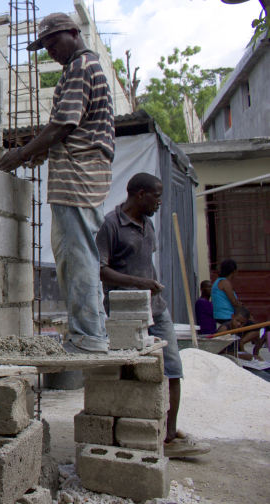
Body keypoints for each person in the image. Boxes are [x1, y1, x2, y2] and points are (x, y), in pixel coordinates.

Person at [0, 12, 115, 354]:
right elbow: (71, 130)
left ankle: (89, 337)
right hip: (80, 173)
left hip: (78, 176)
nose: (51, 51)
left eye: (53, 42)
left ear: (74, 34)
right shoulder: (84, 68)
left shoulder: (80, 67)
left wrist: (20, 154)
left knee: (77, 258)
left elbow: (62, 126)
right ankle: (91, 333)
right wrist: (38, 153)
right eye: (45, 47)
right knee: (77, 256)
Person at [95, 173, 210, 458]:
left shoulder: (148, 224)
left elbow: (147, 265)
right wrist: (140, 284)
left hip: (157, 310)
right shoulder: (111, 224)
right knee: (130, 372)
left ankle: (169, 437)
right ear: (141, 194)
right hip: (125, 314)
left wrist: (150, 287)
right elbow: (100, 270)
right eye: (157, 196)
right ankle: (128, 433)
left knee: (172, 369)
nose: (160, 202)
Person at [216, 308, 270, 383]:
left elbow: (242, 350)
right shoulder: (224, 329)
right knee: (262, 375)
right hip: (228, 359)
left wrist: (252, 356)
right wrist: (240, 356)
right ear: (232, 316)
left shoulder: (240, 329)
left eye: (242, 323)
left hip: (238, 358)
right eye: (237, 321)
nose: (239, 324)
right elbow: (218, 351)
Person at [211, 259, 241, 325]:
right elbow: (235, 303)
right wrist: (246, 313)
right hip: (227, 317)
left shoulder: (217, 282)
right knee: (254, 328)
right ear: (234, 271)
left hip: (218, 316)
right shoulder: (225, 283)